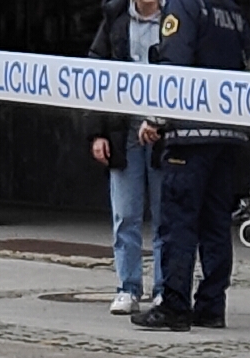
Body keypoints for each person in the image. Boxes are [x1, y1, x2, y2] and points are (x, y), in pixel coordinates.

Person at [141, 0, 250, 334]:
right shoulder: (233, 10)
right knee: (215, 224)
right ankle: (211, 305)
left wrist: (155, 119)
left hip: (190, 134)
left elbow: (173, 66)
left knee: (178, 222)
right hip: (228, 133)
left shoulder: (184, 6)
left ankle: (175, 305)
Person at [89, 0, 166, 318]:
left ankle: (165, 289)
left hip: (164, 129)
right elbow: (94, 76)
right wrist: (97, 132)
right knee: (126, 212)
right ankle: (128, 287)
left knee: (166, 217)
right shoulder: (115, 18)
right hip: (124, 128)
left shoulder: (175, 17)